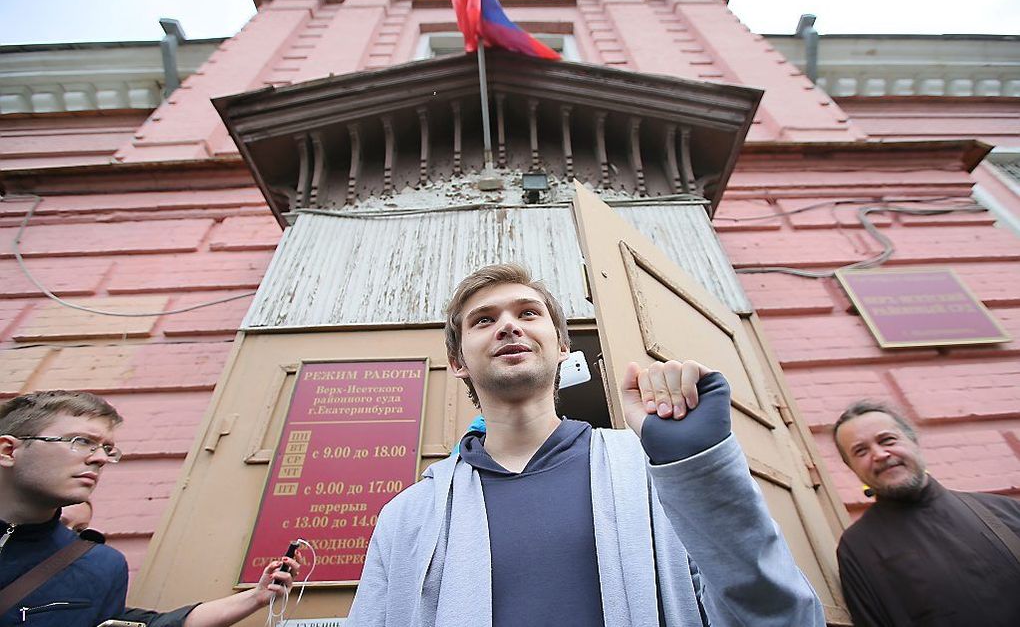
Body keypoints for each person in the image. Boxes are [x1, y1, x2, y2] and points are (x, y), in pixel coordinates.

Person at [347, 263, 823, 626]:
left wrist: (700, 470)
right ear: (457, 362)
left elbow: (779, 615)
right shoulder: (407, 515)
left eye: (528, 313)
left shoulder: (651, 473)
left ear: (562, 348)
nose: (508, 326)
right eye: (484, 320)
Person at [833, 400, 1020, 626]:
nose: (880, 454)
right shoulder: (857, 548)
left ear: (913, 440)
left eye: (887, 440)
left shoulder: (1002, 511)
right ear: (852, 467)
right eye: (861, 451)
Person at [0, 391, 129, 626]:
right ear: (8, 451)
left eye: (107, 449)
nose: (100, 458)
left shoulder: (100, 567)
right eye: (81, 441)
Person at [59, 502, 301, 627]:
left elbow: (164, 624)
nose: (72, 538)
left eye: (80, 531)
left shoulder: (90, 597)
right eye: (60, 524)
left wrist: (258, 597)